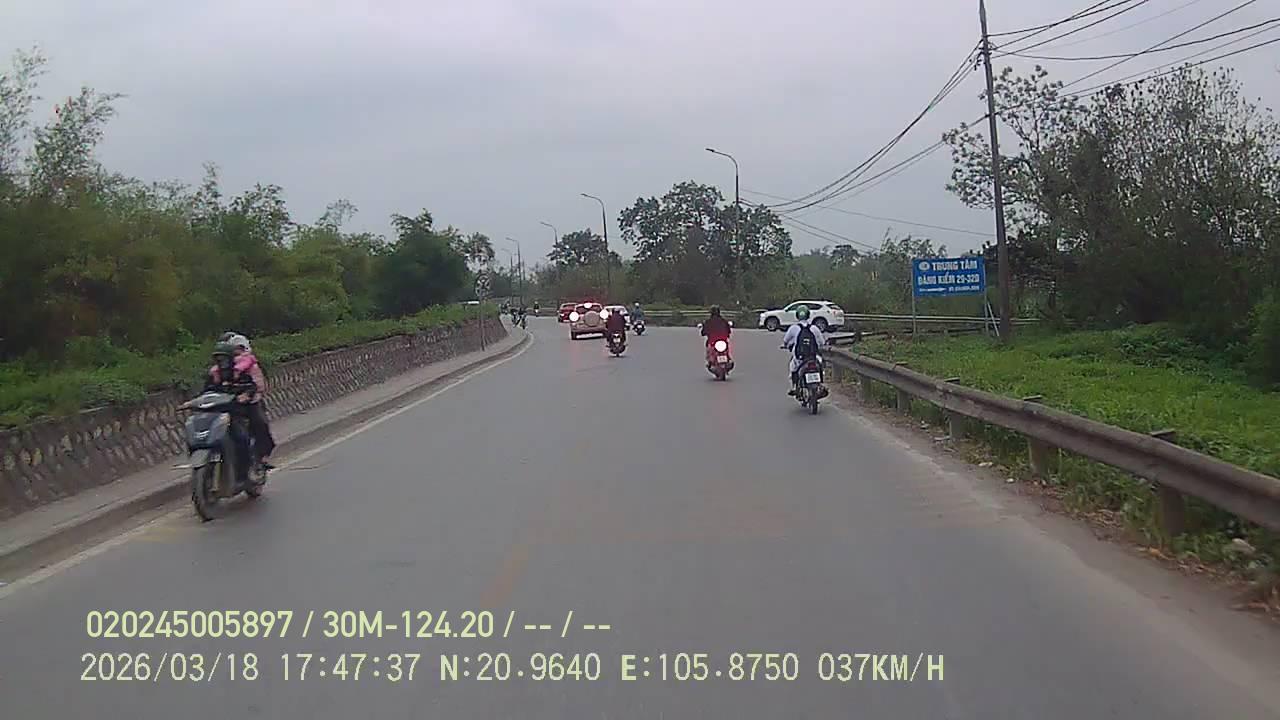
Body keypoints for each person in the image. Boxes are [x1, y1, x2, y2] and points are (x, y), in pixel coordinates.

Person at [212, 333, 275, 471]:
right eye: (219, 357)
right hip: (226, 404)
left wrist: (247, 394)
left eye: (239, 348)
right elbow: (209, 389)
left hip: (250, 402)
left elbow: (255, 385)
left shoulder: (249, 365)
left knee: (259, 424)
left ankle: (261, 457)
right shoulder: (216, 371)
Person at [782, 306, 827, 396]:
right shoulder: (814, 328)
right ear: (808, 315)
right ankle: (821, 385)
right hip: (813, 356)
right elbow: (822, 342)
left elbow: (785, 340)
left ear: (797, 315)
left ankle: (794, 387)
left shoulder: (793, 328)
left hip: (800, 358)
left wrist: (786, 345)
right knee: (820, 367)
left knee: (792, 368)